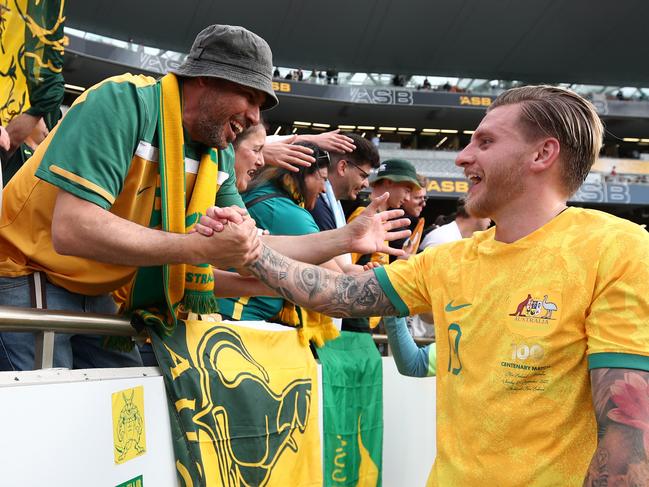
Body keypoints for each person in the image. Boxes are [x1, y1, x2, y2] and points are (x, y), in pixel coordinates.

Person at [217, 85, 649, 485]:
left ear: (542, 154)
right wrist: (252, 250)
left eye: (485, 142)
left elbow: (627, 437)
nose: (462, 157)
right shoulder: (448, 260)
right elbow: (342, 295)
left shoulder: (616, 250)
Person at [0, 24, 407, 371]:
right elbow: (72, 229)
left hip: (100, 290)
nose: (253, 117)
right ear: (206, 79)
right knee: (54, 424)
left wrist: (344, 240)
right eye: (250, 97)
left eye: (260, 106)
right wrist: (194, 246)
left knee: (122, 421)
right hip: (29, 270)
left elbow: (251, 246)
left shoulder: (216, 155)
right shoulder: (121, 103)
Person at [219, 143, 344, 323]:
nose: (324, 189)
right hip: (239, 319)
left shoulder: (263, 190)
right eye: (322, 178)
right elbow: (336, 279)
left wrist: (366, 271)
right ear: (302, 175)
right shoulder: (288, 214)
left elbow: (338, 268)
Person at [308, 133, 380, 232]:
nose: (366, 184)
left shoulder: (325, 204)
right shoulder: (316, 207)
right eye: (363, 176)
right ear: (342, 167)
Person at [419, 197, 490, 250]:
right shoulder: (444, 240)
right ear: (474, 212)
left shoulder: (452, 236)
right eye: (489, 214)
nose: (490, 219)